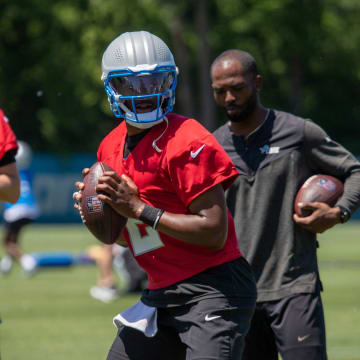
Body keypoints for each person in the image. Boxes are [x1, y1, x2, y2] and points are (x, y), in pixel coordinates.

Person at [74, 31, 256, 360]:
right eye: (131, 85)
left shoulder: (187, 139)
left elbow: (214, 232)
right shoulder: (109, 147)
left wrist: (140, 208)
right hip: (161, 290)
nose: (144, 94)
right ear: (111, 88)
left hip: (213, 290)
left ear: (170, 82)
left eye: (154, 82)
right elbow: (124, 237)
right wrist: (97, 212)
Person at [211, 49, 360, 360]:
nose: (229, 98)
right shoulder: (212, 147)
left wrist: (339, 211)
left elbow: (354, 171)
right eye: (220, 91)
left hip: (294, 286)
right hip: (238, 292)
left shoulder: (298, 132)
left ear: (257, 83)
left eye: (237, 88)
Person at [1, 140, 40, 276]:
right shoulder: (28, 172)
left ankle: (28, 262)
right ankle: (6, 265)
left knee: (7, 243)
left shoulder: (7, 174)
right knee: (13, 239)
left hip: (15, 210)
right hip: (31, 209)